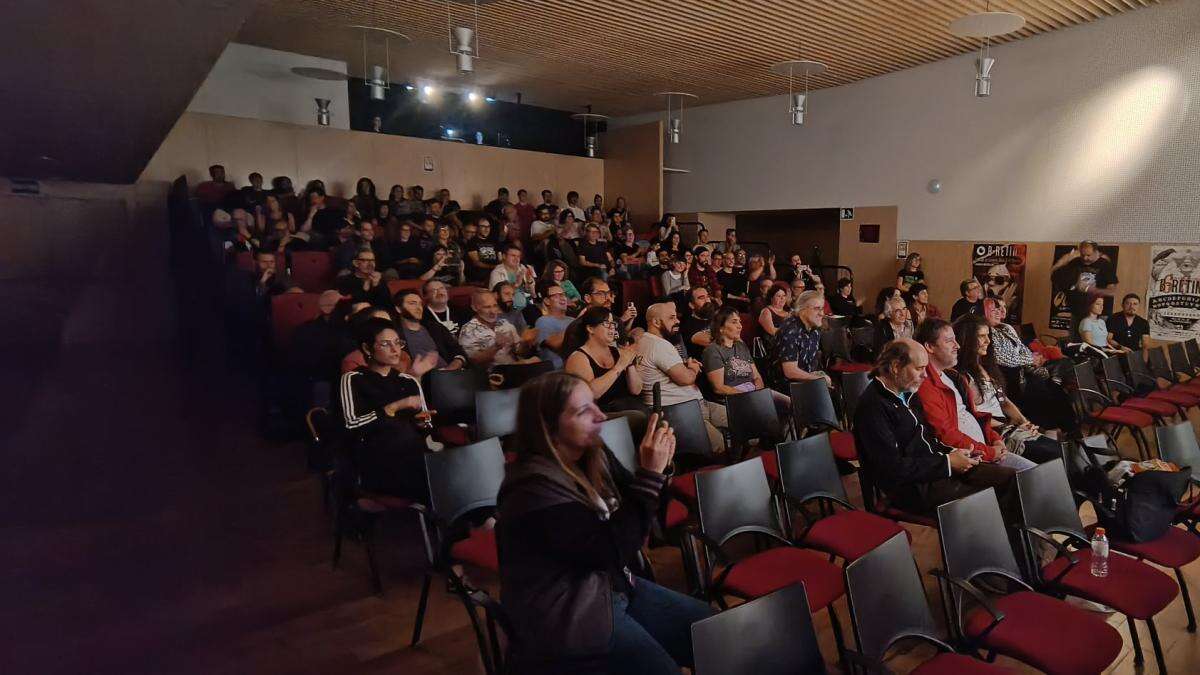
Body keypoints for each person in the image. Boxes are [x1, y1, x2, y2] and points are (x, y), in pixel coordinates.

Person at [496, 372, 712, 674]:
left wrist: (660, 468)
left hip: (611, 587)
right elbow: (606, 551)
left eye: (595, 404)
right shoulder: (531, 488)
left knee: (712, 630)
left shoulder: (592, 454)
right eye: (584, 411)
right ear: (549, 428)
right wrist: (649, 476)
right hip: (566, 612)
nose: (600, 416)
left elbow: (644, 517)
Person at [853, 339, 1020, 519]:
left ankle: (1007, 541)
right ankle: (990, 542)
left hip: (935, 467)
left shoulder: (908, 392)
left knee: (1012, 479)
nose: (925, 375)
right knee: (988, 500)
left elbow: (928, 439)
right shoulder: (872, 407)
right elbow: (892, 469)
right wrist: (948, 463)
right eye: (919, 368)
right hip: (913, 488)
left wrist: (957, 453)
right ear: (895, 367)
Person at [337, 318, 440, 502]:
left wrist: (421, 422)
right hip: (377, 457)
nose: (395, 350)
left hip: (412, 454)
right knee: (440, 482)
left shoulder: (407, 381)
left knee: (455, 470)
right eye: (386, 344)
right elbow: (351, 425)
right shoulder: (354, 379)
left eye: (397, 343)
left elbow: (427, 426)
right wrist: (393, 408)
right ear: (368, 349)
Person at [914, 319, 1036, 472]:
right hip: (969, 459)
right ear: (930, 346)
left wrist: (995, 439)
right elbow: (946, 434)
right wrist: (990, 450)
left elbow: (980, 413)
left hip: (987, 446)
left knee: (1041, 471)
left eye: (956, 340)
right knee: (1035, 476)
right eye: (949, 341)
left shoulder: (953, 376)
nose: (957, 345)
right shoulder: (927, 384)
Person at [952, 316, 1061, 463]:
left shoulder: (986, 368)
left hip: (1010, 428)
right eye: (982, 336)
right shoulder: (962, 376)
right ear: (967, 339)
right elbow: (973, 416)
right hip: (997, 434)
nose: (988, 341)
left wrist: (1024, 423)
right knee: (1058, 456)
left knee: (1067, 451)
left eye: (988, 336)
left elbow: (1004, 402)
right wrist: (1011, 425)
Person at [637, 303, 727, 452]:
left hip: (697, 405)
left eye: (676, 317)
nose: (677, 321)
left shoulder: (647, 341)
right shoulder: (658, 345)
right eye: (671, 318)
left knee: (743, 422)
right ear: (656, 322)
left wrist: (685, 364)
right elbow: (686, 379)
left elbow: (666, 368)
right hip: (681, 413)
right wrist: (693, 368)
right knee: (723, 445)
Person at [564, 307, 647, 431]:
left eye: (613, 323)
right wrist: (618, 367)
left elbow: (636, 390)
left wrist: (629, 364)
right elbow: (591, 394)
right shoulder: (578, 358)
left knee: (651, 418)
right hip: (599, 412)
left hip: (627, 406)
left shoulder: (618, 352)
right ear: (590, 328)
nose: (612, 327)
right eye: (606, 323)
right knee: (641, 418)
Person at [703, 307, 790, 416]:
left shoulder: (741, 345)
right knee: (768, 416)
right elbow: (719, 388)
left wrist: (757, 392)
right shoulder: (712, 351)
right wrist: (748, 396)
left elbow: (757, 376)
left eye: (739, 321)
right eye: (734, 322)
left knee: (791, 405)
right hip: (736, 398)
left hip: (754, 392)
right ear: (721, 327)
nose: (740, 326)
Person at [458, 289, 538, 367]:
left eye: (495, 306)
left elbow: (520, 352)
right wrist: (496, 347)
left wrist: (526, 342)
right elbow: (473, 362)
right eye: (487, 307)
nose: (493, 311)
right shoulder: (468, 330)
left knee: (537, 361)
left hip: (513, 368)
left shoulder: (504, 323)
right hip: (492, 375)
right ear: (474, 308)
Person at [393, 289, 467, 371]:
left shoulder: (435, 328)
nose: (419, 308)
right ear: (398, 309)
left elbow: (458, 351)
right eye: (412, 304)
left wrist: (453, 366)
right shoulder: (394, 334)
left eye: (420, 304)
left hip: (448, 374)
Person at [773, 290, 831, 390]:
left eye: (822, 309)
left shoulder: (814, 330)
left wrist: (818, 376)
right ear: (802, 309)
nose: (822, 313)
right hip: (787, 387)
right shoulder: (790, 330)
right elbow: (790, 371)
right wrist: (818, 379)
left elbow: (810, 365)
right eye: (817, 309)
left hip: (806, 383)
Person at [1050, 239, 1118, 319]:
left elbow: (1112, 291)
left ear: (1096, 252)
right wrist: (1065, 260)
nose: (1085, 258)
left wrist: (1092, 289)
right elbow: (1054, 275)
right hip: (1078, 312)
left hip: (1098, 315)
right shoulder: (1076, 262)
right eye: (1082, 255)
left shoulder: (1105, 265)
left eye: (1088, 255)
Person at [534, 282, 574, 368]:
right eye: (556, 296)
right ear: (547, 301)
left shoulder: (572, 320)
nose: (563, 298)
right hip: (557, 371)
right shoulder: (543, 321)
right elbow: (555, 344)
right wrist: (578, 323)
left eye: (563, 295)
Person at [489, 242, 538, 311]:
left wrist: (529, 282)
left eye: (518, 256)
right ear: (504, 256)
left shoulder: (524, 269)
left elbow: (533, 294)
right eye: (513, 255)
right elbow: (498, 296)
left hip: (528, 306)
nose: (516, 259)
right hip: (508, 309)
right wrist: (516, 284)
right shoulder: (497, 273)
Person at [679, 286, 716, 362]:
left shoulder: (714, 318)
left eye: (708, 296)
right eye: (701, 298)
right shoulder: (688, 326)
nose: (707, 301)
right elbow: (719, 344)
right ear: (691, 305)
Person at [465, 217, 501, 284]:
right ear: (477, 228)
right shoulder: (472, 242)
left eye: (488, 226)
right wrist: (493, 267)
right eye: (483, 226)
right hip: (480, 275)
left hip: (495, 272)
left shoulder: (494, 241)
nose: (486, 229)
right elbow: (476, 263)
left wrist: (499, 267)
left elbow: (500, 258)